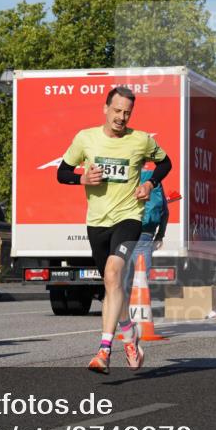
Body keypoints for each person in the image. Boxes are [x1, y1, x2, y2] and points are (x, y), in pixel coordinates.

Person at [57, 86, 172, 374]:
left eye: (127, 113)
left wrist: (149, 184)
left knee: (112, 274)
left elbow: (165, 163)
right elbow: (61, 172)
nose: (121, 117)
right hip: (97, 222)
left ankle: (104, 350)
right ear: (105, 108)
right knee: (113, 286)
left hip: (129, 218)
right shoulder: (86, 138)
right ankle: (129, 334)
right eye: (117, 111)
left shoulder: (141, 140)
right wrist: (82, 179)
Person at [122, 167, 169, 296]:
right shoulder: (154, 180)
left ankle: (121, 309)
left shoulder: (123, 176)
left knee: (121, 274)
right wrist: (160, 235)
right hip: (145, 233)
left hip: (123, 231)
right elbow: (165, 211)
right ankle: (139, 309)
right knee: (141, 275)